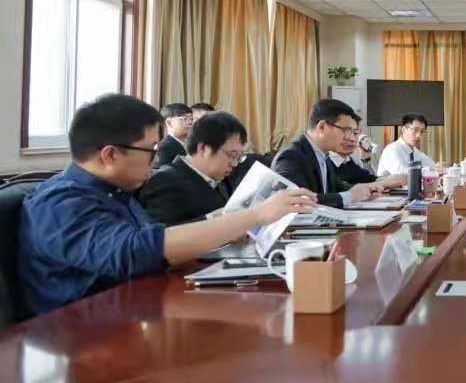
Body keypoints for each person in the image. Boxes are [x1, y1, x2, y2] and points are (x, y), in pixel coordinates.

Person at [19, 94, 315, 315]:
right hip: (82, 335)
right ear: (110, 155)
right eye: (151, 149)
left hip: (133, 312)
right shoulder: (58, 202)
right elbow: (136, 252)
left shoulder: (116, 193)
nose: (157, 159)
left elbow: (155, 247)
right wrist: (256, 215)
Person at [138, 112, 248, 226]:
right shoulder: (165, 182)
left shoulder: (218, 179)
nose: (235, 164)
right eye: (232, 155)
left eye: (239, 157)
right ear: (204, 148)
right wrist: (216, 220)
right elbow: (160, 234)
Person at [272, 99, 379, 207]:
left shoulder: (323, 155)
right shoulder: (291, 156)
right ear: (322, 127)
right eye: (346, 130)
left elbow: (338, 188)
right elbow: (298, 202)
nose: (351, 138)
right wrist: (351, 196)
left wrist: (365, 191)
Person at [329, 116, 407, 190]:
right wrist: (386, 182)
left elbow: (368, 178)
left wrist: (365, 158)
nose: (352, 139)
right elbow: (345, 189)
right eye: (347, 132)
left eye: (356, 133)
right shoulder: (327, 162)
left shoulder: (347, 161)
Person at [154, 103, 192, 168]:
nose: (190, 122)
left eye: (191, 118)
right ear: (169, 122)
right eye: (185, 118)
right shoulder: (164, 148)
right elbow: (161, 172)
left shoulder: (190, 144)